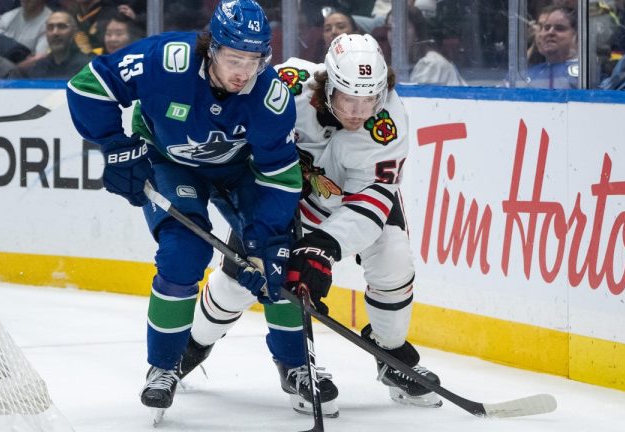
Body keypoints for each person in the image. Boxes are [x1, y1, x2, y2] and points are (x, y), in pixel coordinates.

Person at [179, 33, 443, 418]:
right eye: (348, 98)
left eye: (369, 99)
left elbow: (372, 200)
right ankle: (192, 346)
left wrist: (322, 246)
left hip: (354, 205)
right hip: (283, 199)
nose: (358, 111)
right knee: (240, 281)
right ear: (328, 85)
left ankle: (390, 354)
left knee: (394, 260)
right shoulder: (286, 85)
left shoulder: (391, 124)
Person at [66, 0, 302, 412]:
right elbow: (88, 86)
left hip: (238, 170)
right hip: (169, 161)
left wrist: (267, 240)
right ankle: (164, 367)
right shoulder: (164, 60)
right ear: (212, 48)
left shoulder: (271, 98)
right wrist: (115, 144)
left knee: (278, 254)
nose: (244, 71)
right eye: (234, 58)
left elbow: (279, 177)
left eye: (255, 59)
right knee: (183, 251)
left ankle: (297, 364)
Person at [519, 5, 578, 89]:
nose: (549, 32)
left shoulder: (586, 74)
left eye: (559, 28)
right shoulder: (526, 74)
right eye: (546, 28)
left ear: (578, 36)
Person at [18, 11, 91, 79]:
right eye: (50, 27)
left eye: (62, 26)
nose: (55, 32)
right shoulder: (39, 67)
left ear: (74, 32)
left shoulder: (87, 68)